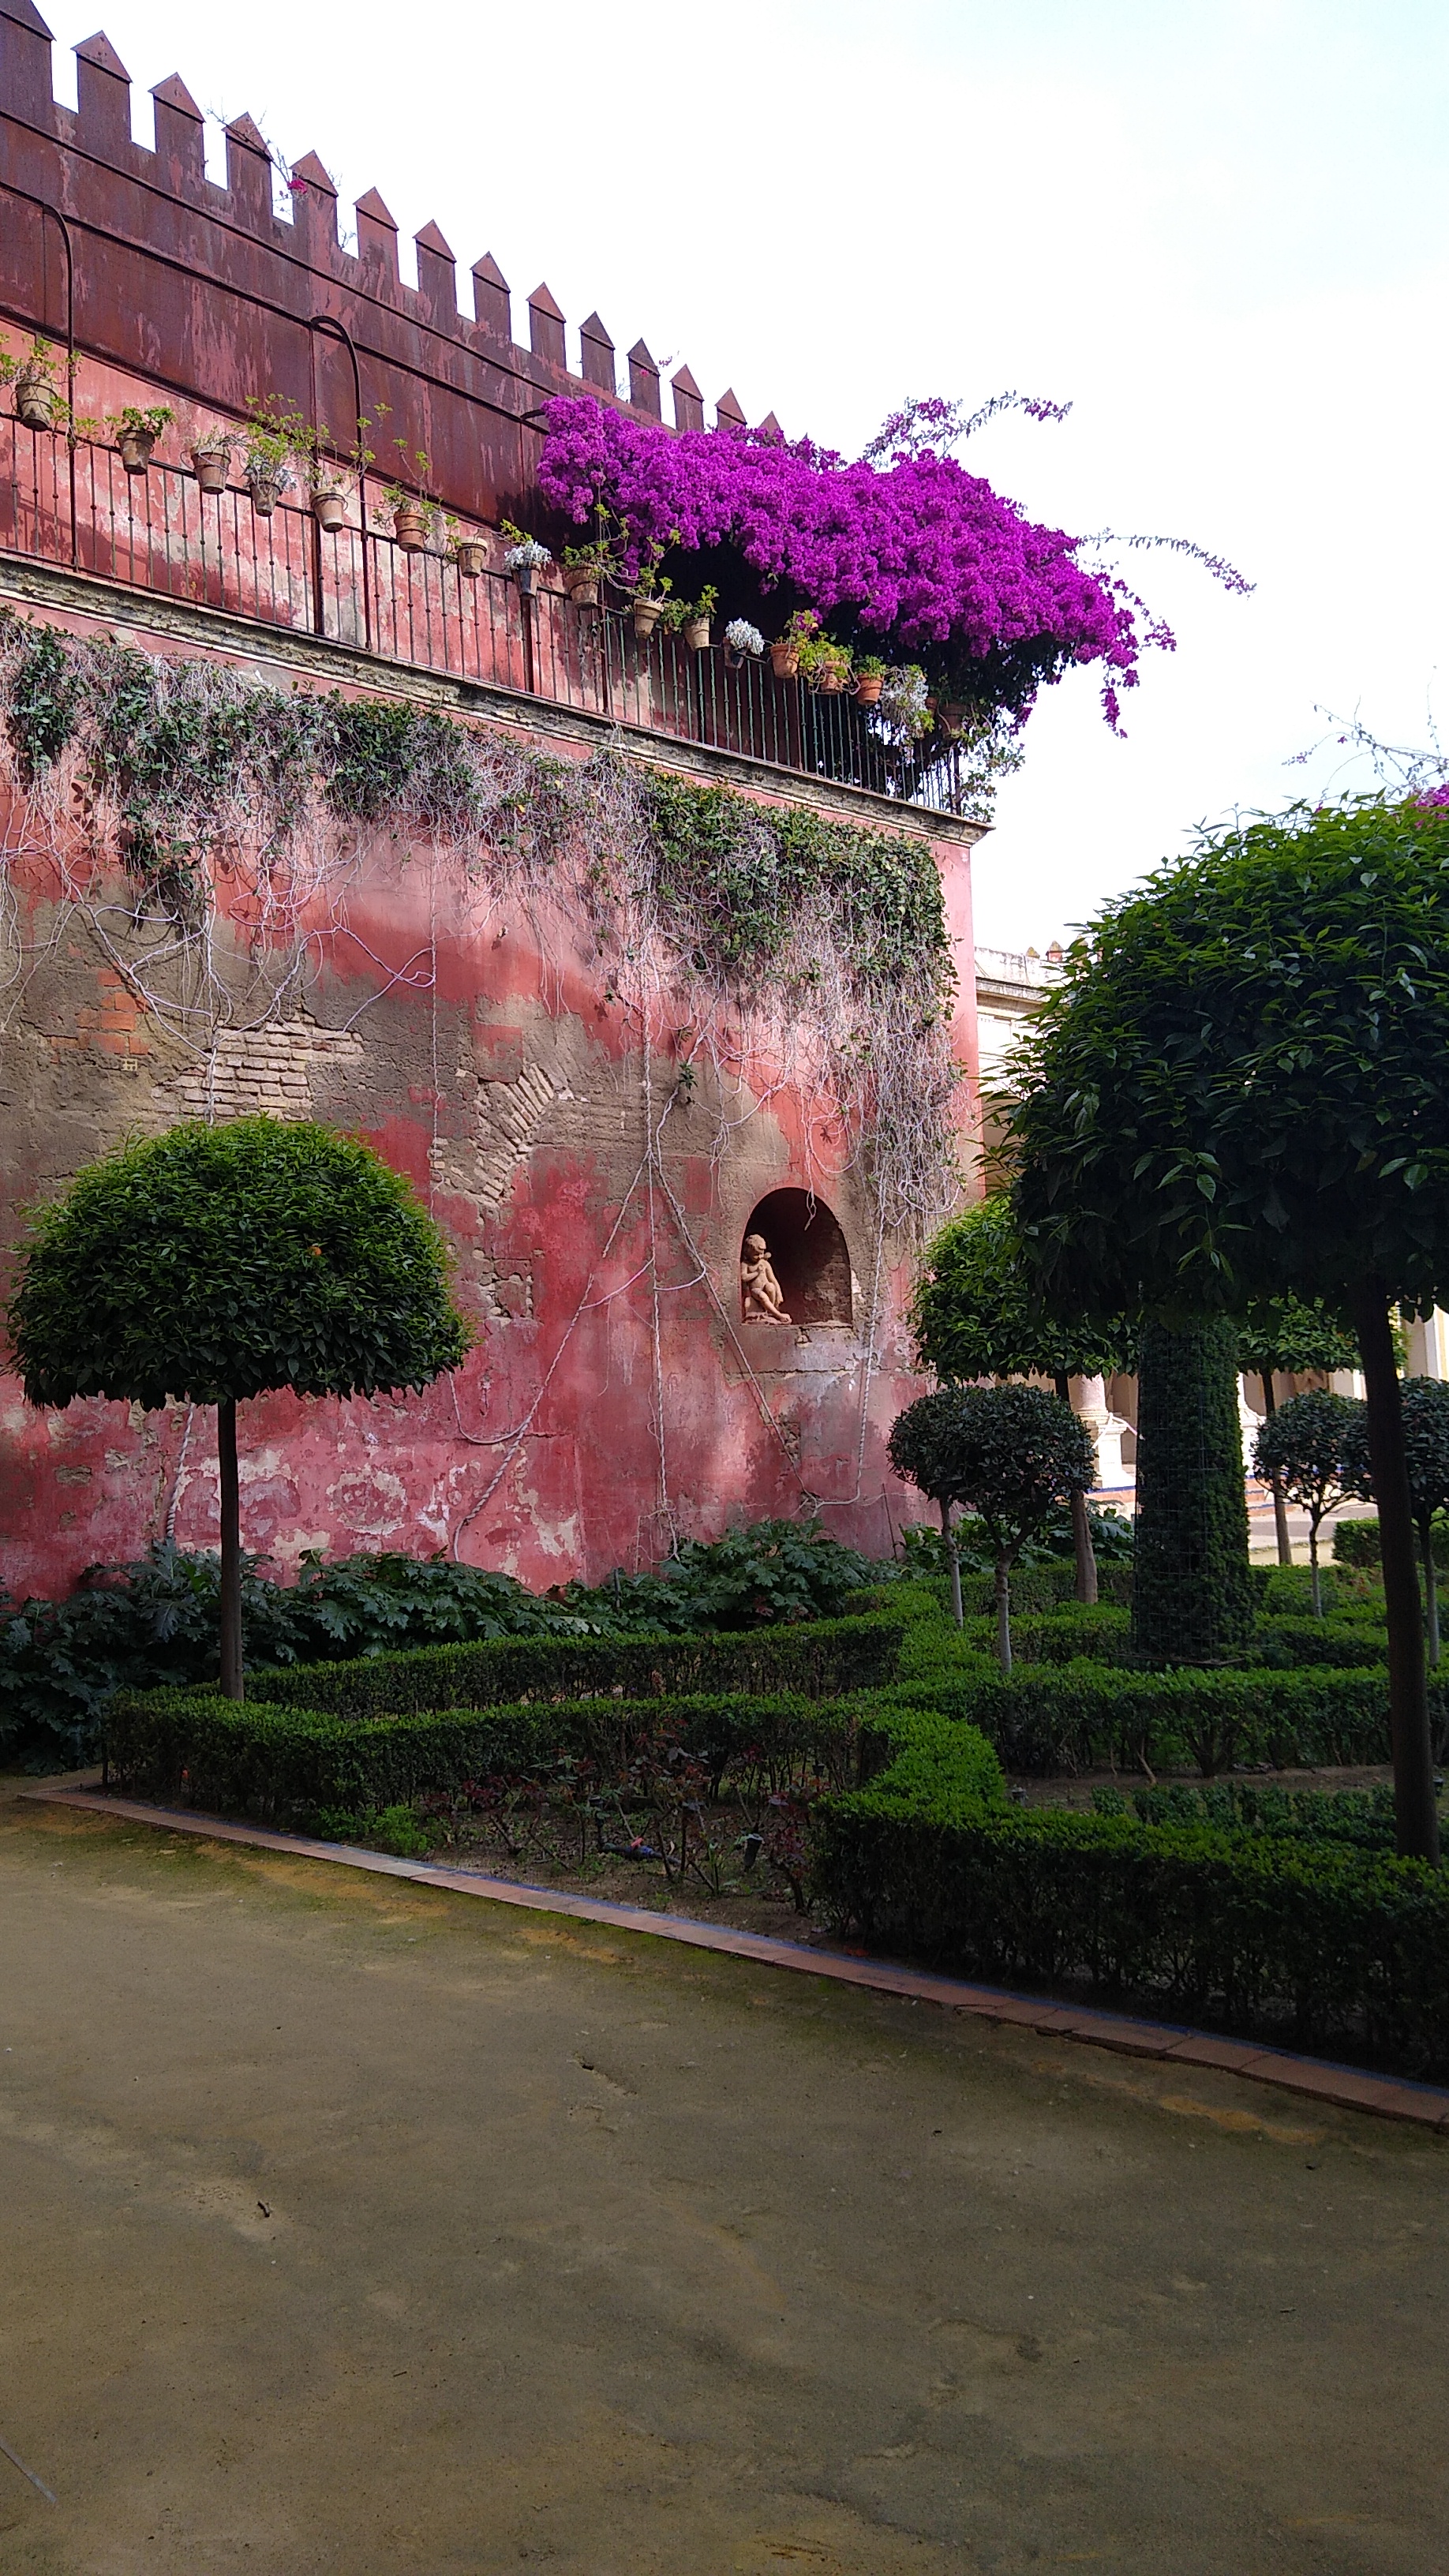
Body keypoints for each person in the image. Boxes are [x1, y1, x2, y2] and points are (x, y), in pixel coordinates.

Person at [740, 1231, 791, 1322]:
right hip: (755, 1290)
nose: (760, 1257)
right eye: (756, 1255)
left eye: (761, 1254)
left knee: (771, 1287)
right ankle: (779, 1315)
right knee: (762, 1296)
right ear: (748, 1253)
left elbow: (773, 1279)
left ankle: (770, 1311)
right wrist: (757, 1273)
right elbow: (744, 1277)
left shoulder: (765, 1263)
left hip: (766, 1287)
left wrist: (779, 1293)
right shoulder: (745, 1264)